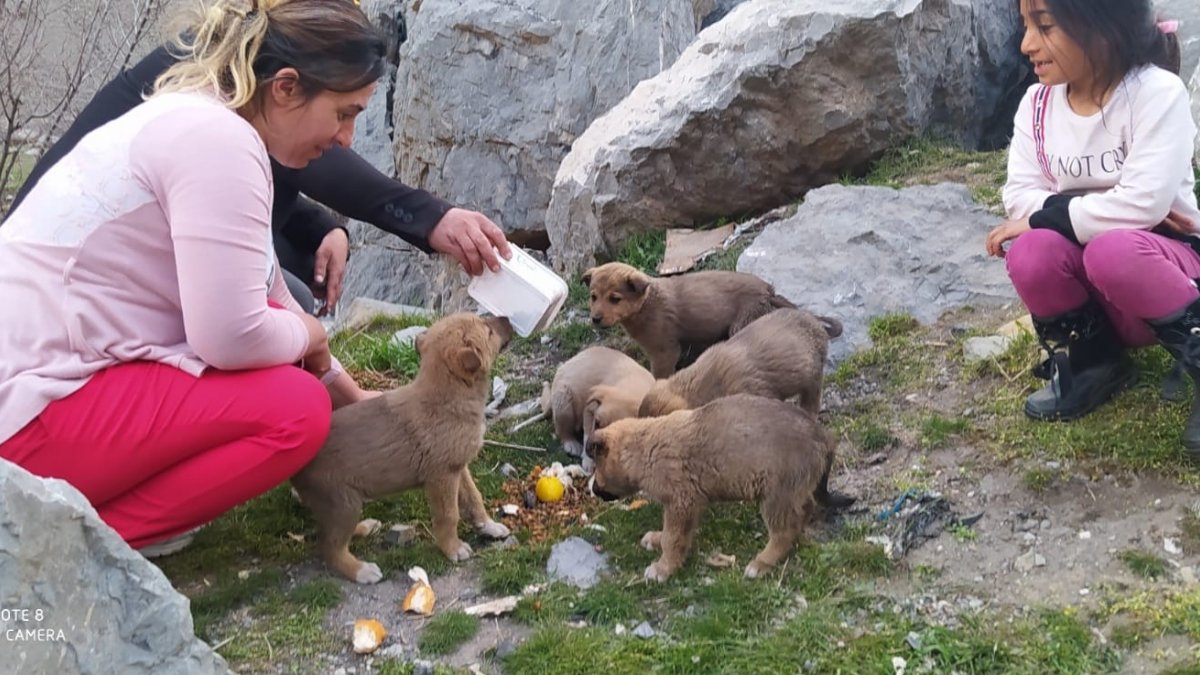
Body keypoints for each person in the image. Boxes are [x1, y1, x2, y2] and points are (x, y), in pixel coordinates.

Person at [0, 0, 397, 557]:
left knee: (301, 383)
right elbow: (231, 337)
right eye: (343, 113)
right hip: (28, 419)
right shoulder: (221, 145)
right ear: (285, 87)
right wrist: (310, 338)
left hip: (38, 390)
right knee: (293, 411)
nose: (348, 138)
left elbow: (265, 291)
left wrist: (343, 386)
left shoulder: (207, 117)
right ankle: (73, 545)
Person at [5, 27, 512, 316]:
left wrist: (324, 227)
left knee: (286, 278)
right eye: (344, 113)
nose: (345, 134)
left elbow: (247, 183)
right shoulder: (211, 80)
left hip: (119, 262)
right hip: (57, 302)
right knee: (281, 316)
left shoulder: (240, 61)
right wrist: (432, 218)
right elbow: (289, 159)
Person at [985, 0, 1200, 456]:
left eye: (1044, 26)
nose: (1026, 44)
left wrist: (1056, 214)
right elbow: (1020, 196)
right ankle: (1091, 363)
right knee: (1030, 252)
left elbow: (1143, 205)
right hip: (1100, 288)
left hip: (1167, 266)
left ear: (1100, 27)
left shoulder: (1157, 95)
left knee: (1113, 250)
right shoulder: (1037, 106)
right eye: (1025, 26)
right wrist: (1105, 210)